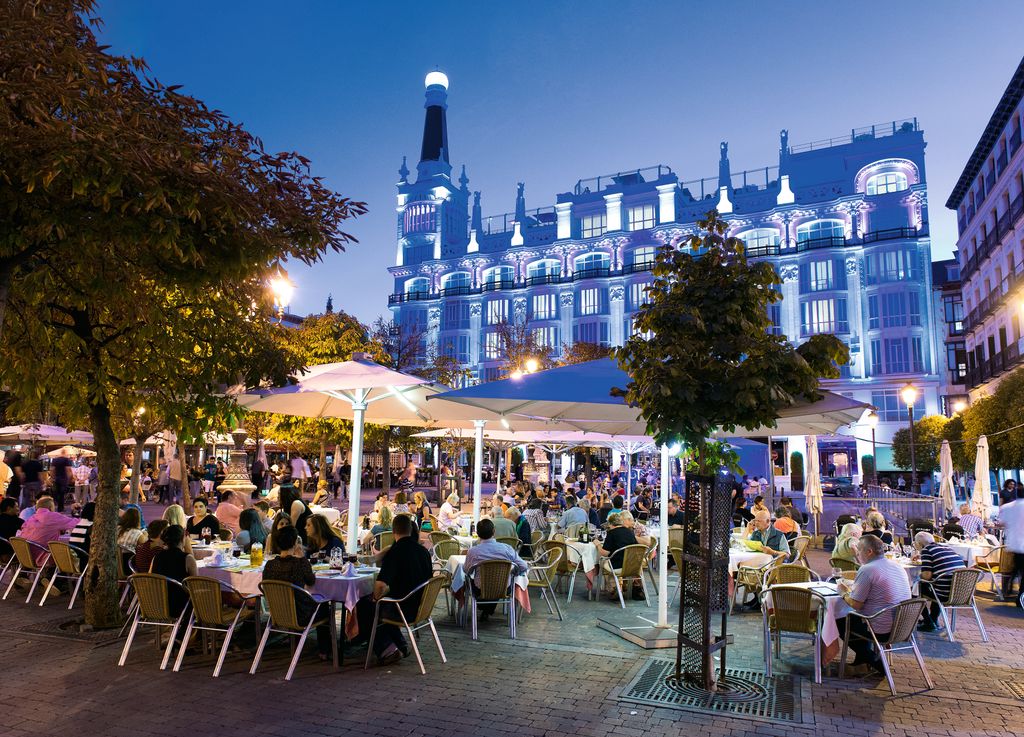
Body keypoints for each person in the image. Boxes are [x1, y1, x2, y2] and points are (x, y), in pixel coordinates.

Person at [354, 513, 433, 665]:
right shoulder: (423, 552)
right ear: (411, 530)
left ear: (394, 530)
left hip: (402, 607)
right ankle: (400, 644)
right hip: (422, 605)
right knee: (381, 602)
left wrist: (376, 598)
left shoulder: (396, 552)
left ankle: (387, 649)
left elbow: (380, 585)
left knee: (365, 605)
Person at [836, 534, 912, 673]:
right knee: (858, 618)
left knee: (839, 619)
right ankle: (861, 663)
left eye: (859, 550)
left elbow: (856, 604)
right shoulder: (898, 567)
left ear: (869, 551)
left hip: (882, 629)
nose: (857, 554)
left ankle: (876, 662)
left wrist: (843, 592)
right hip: (903, 626)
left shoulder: (868, 569)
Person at [262, 525, 334, 659]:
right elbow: (311, 581)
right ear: (295, 542)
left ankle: (295, 642)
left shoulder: (269, 565)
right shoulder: (300, 563)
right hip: (300, 614)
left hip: (277, 613)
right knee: (323, 606)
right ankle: (325, 650)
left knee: (301, 600)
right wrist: (302, 558)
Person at [463, 518, 528, 618]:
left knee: (468, 582)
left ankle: (485, 609)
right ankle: (488, 609)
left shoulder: (473, 551)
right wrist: (512, 572)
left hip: (480, 589)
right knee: (498, 584)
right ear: (494, 531)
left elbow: (466, 570)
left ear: (477, 533)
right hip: (504, 588)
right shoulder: (507, 549)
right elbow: (523, 566)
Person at [913, 531, 967, 631]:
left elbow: (927, 576)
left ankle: (928, 622)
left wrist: (917, 576)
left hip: (944, 594)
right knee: (936, 584)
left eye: (915, 543)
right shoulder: (947, 548)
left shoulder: (926, 550)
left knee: (915, 588)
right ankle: (933, 620)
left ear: (920, 544)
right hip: (962, 593)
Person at [595, 511, 645, 600]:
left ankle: (613, 588)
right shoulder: (630, 532)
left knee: (602, 561)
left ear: (610, 524)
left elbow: (605, 553)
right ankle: (617, 588)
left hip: (618, 566)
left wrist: (597, 544)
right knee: (611, 559)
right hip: (632, 565)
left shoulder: (611, 533)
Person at [151, 525, 197, 616]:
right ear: (182, 539)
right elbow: (195, 583)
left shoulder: (157, 557)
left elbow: (150, 579)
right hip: (181, 604)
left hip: (158, 603)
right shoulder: (187, 558)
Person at [17, 496, 77, 564]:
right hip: (45, 558)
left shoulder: (31, 518)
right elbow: (76, 523)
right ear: (50, 507)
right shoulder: (52, 516)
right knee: (72, 554)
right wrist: (76, 512)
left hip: (27, 558)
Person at [995, 492, 1024, 606]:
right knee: (1020, 570)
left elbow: (1001, 523)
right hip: (1021, 544)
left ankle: (1009, 588)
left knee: (1017, 568)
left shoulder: (1008, 507)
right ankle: (1019, 597)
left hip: (1013, 544)